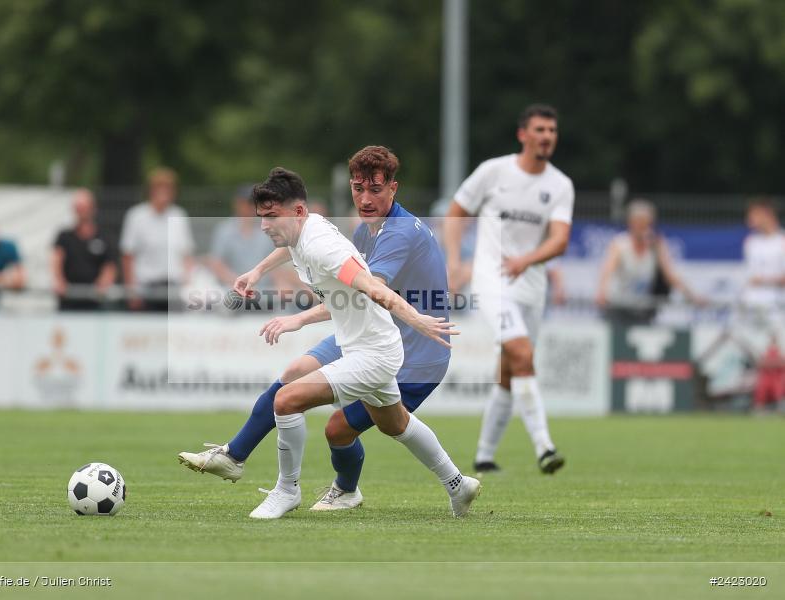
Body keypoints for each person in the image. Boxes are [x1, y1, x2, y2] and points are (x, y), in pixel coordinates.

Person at [185, 166, 480, 520]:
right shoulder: (306, 227)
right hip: (365, 342)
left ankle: (286, 491)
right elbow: (290, 245)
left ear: (297, 212)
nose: (264, 225)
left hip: (374, 352)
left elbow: (373, 288)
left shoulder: (324, 247)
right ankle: (458, 484)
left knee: (287, 400)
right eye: (262, 217)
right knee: (395, 423)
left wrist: (417, 319)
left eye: (271, 217)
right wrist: (258, 271)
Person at [443, 103, 571, 476]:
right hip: (491, 281)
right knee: (522, 352)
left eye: (552, 130)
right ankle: (545, 447)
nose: (547, 136)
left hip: (531, 286)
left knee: (511, 368)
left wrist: (526, 260)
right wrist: (454, 261)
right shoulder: (493, 171)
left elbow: (560, 240)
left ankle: (484, 455)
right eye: (540, 130)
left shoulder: (560, 185)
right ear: (523, 135)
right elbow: (455, 212)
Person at [595, 199, 703, 325]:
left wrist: (692, 296)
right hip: (618, 306)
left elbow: (671, 275)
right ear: (631, 223)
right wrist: (601, 292)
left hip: (642, 309)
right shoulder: (620, 244)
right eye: (639, 223)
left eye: (646, 224)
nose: (642, 228)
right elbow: (607, 270)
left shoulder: (656, 245)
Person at [120, 167, 194, 312]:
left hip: (174, 288)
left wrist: (188, 287)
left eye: (169, 189)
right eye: (160, 188)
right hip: (146, 288)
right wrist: (131, 291)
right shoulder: (137, 216)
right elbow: (128, 255)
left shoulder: (179, 215)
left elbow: (186, 254)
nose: (164, 193)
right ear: (151, 190)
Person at [52, 189, 118, 311]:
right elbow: (57, 258)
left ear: (93, 208)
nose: (81, 212)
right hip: (68, 300)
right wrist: (60, 281)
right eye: (78, 208)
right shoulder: (64, 236)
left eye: (84, 208)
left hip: (95, 302)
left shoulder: (104, 236)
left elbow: (110, 265)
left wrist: (103, 283)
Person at [203, 186, 277, 293]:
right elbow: (216, 264)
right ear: (237, 204)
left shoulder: (268, 231)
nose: (250, 207)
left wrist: (281, 283)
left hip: (264, 292)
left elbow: (275, 265)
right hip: (232, 291)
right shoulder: (224, 230)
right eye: (247, 203)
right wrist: (240, 283)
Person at [739, 197, 785, 327]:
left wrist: (764, 281)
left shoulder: (782, 241)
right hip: (751, 304)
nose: (749, 220)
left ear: (766, 214)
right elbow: (750, 276)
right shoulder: (750, 242)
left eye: (753, 215)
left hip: (777, 306)